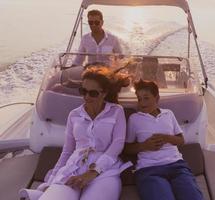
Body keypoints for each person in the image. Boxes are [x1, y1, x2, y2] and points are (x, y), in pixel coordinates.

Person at [35, 66, 130, 200]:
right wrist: (52, 178)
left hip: (105, 171)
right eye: (83, 91)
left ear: (104, 93)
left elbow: (117, 145)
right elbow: (67, 151)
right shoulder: (74, 115)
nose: (86, 96)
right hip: (73, 168)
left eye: (93, 93)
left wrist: (93, 172)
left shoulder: (116, 111)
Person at [124, 79, 203, 200]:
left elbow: (181, 140)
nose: (142, 103)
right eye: (139, 99)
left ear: (157, 98)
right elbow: (126, 149)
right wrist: (144, 146)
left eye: (146, 98)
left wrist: (167, 138)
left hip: (177, 166)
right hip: (149, 170)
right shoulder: (134, 119)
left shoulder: (168, 114)